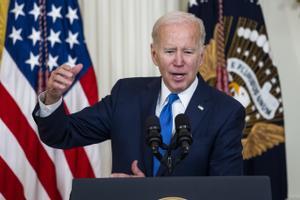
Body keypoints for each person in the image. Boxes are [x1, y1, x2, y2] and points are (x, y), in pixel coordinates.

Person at [33, 11, 245, 177]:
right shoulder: (126, 95)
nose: (179, 61)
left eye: (188, 52)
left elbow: (225, 190)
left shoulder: (226, 112)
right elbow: (62, 134)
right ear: (154, 54)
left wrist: (147, 193)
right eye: (170, 51)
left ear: (201, 56)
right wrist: (52, 97)